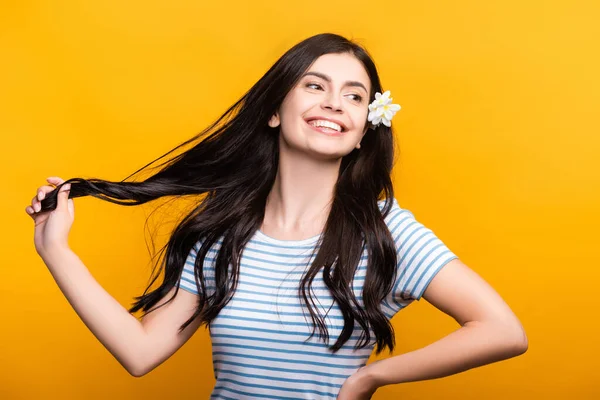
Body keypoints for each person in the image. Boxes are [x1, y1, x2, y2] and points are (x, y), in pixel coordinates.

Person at [26, 33, 528, 400]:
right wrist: (56, 251)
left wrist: (371, 377)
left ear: (361, 132)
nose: (335, 102)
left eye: (355, 95)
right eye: (315, 86)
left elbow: (502, 330)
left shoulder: (385, 230)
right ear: (274, 110)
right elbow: (140, 353)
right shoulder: (223, 234)